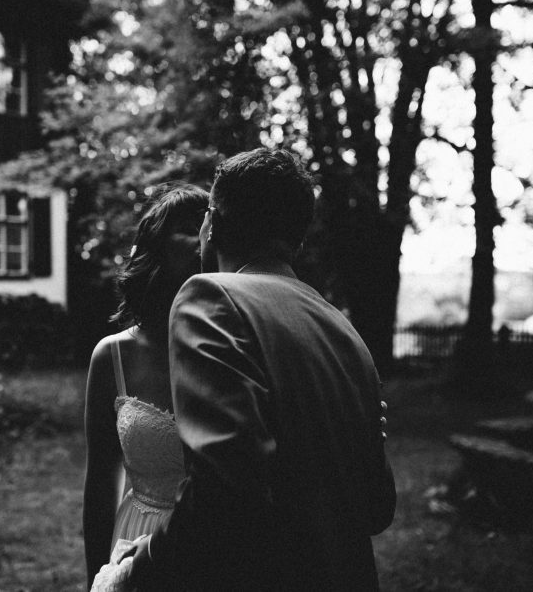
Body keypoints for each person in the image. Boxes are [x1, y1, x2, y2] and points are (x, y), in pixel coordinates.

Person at [114, 148, 396, 591]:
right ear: (297, 238)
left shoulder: (212, 297)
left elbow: (223, 491)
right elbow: (378, 508)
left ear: (212, 224)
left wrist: (140, 564)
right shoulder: (343, 330)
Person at [83, 183, 210, 589]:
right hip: (135, 541)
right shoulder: (113, 357)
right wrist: (98, 578)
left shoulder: (233, 348)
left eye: (211, 225)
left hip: (215, 548)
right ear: (156, 247)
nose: (206, 235)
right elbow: (100, 482)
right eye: (191, 226)